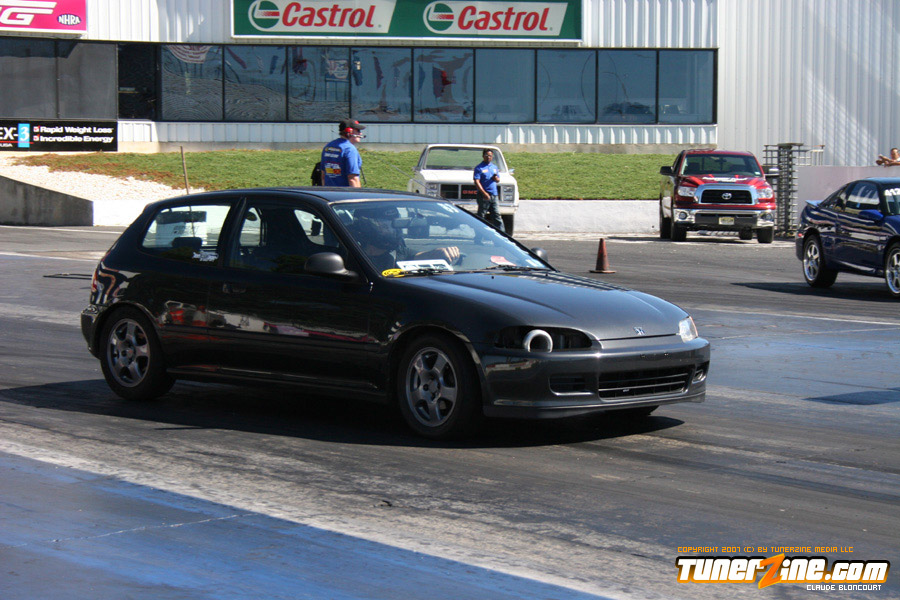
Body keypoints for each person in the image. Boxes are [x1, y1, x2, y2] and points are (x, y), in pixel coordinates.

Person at [321, 118, 365, 186]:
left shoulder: (328, 147)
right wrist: (358, 192)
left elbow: (323, 175)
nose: (360, 133)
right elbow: (352, 178)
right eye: (358, 130)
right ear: (349, 131)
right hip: (345, 192)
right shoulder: (349, 149)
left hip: (329, 191)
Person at [473, 148, 505, 232]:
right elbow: (476, 181)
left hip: (494, 195)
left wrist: (496, 178)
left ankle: (502, 234)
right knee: (481, 216)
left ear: (492, 157)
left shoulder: (494, 167)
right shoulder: (479, 168)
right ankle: (479, 234)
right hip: (484, 195)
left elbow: (498, 180)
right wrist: (484, 193)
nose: (488, 157)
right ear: (483, 156)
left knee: (497, 215)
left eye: (490, 156)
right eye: (486, 155)